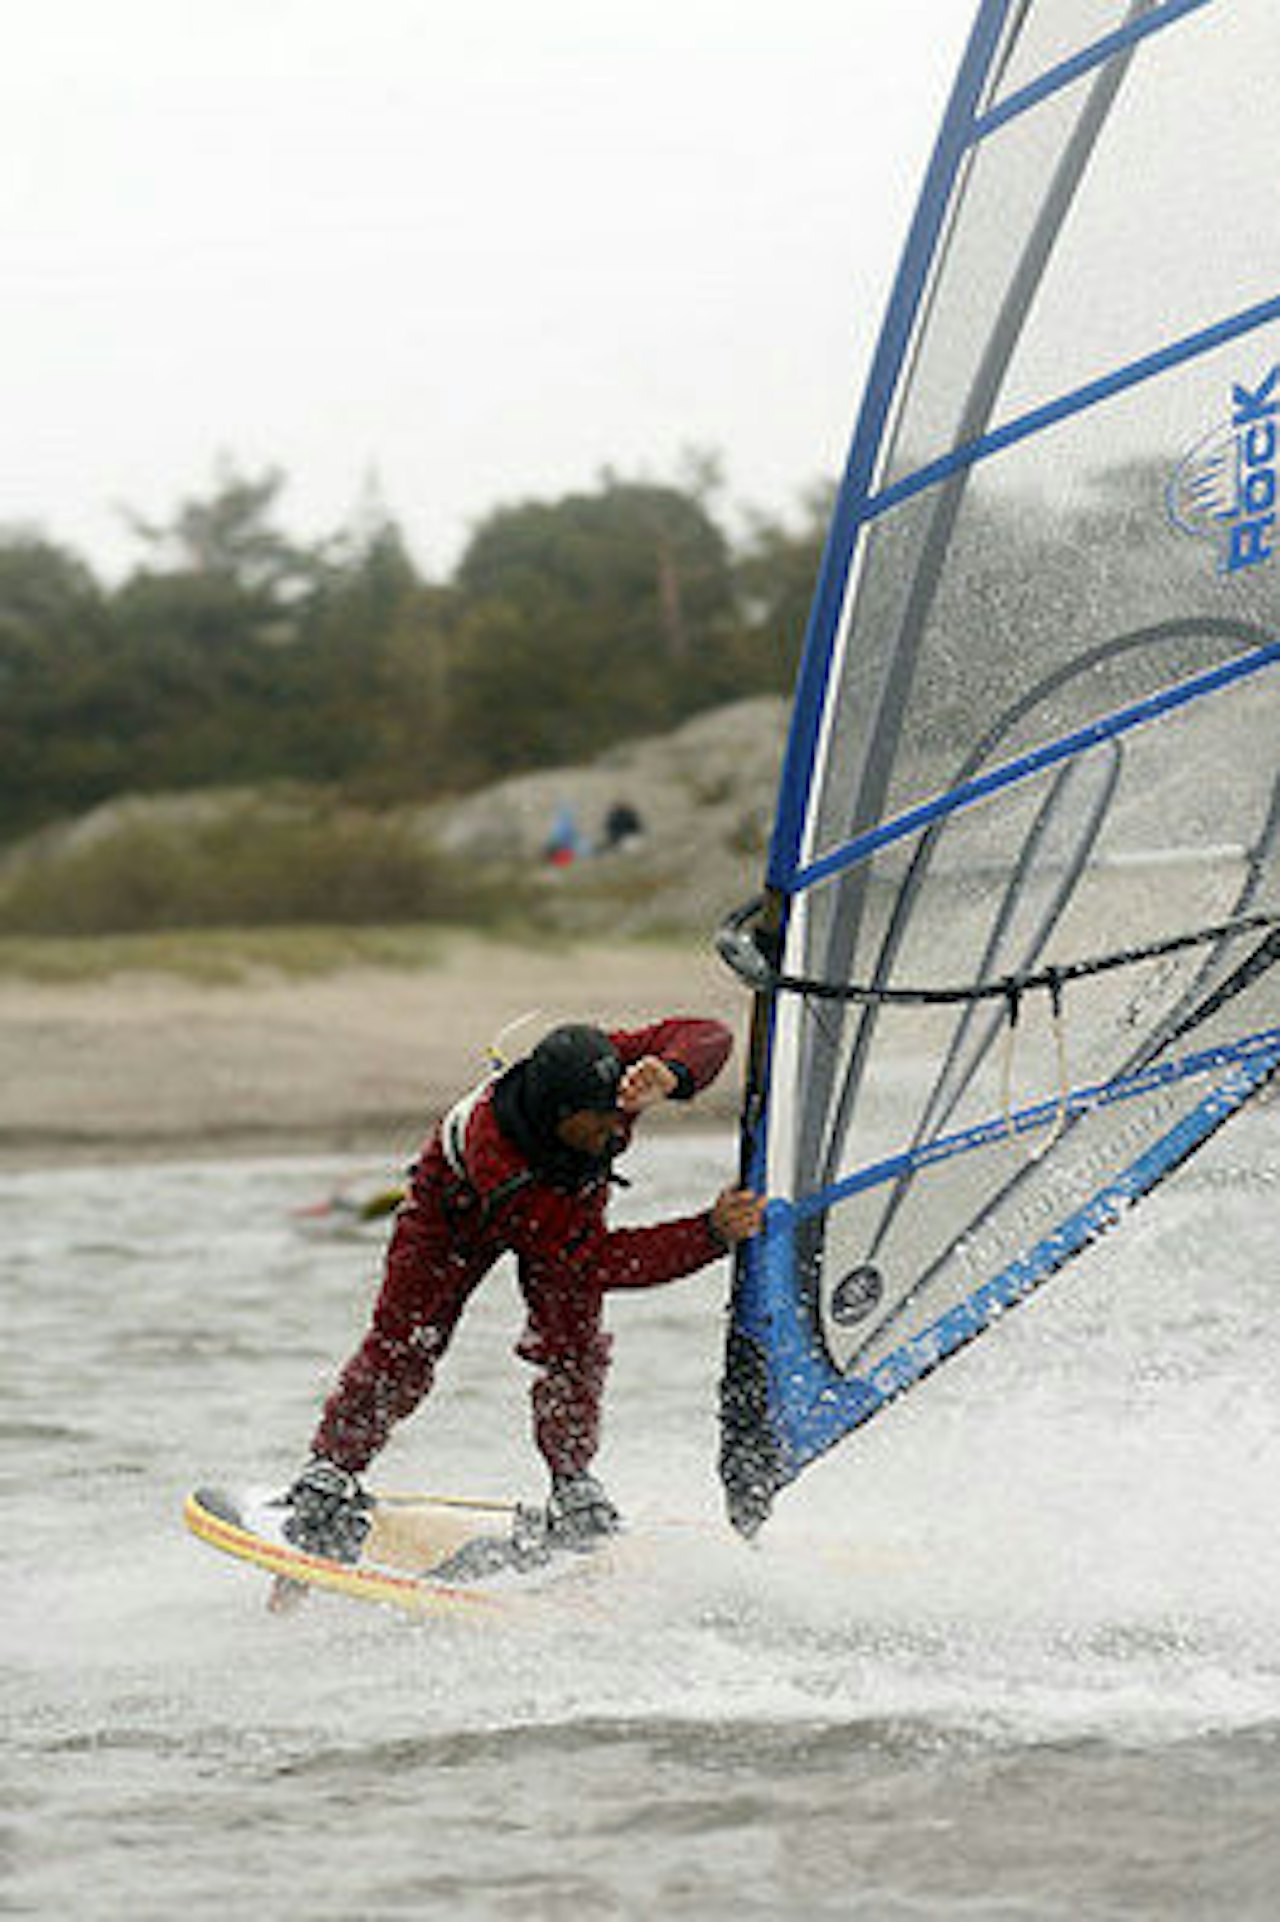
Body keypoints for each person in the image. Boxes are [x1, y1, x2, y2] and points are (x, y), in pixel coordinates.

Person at [283, 1018, 764, 1563]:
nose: (617, 1128)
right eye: (602, 1121)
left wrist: (672, 1074)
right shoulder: (503, 1165)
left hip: (565, 1210)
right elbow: (599, 1262)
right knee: (406, 1344)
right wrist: (709, 1234)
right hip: (453, 1214)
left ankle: (572, 1484)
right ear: (562, 1117)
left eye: (619, 1113)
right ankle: (329, 1472)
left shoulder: (608, 1074)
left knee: (573, 1349)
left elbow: (711, 1035)